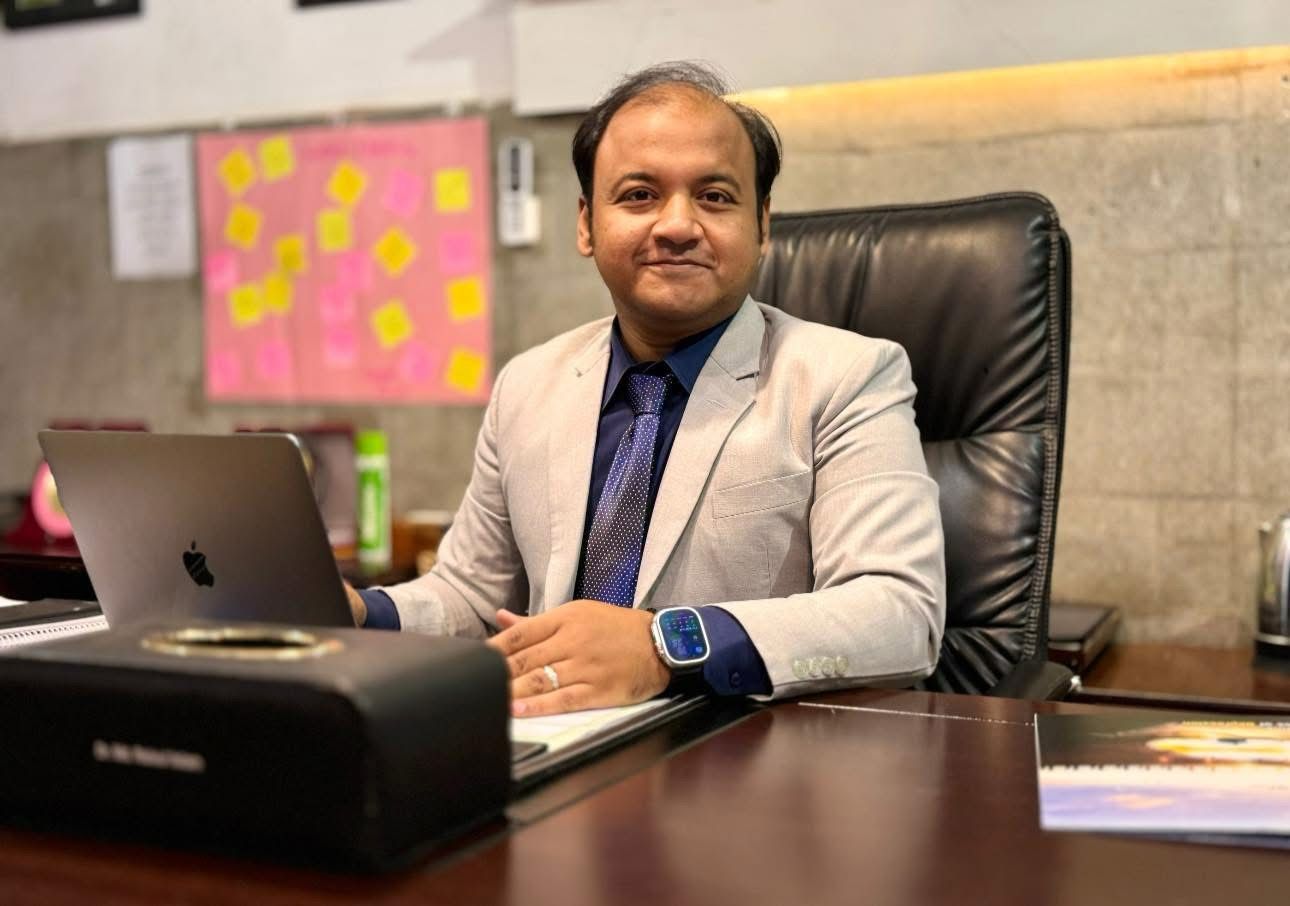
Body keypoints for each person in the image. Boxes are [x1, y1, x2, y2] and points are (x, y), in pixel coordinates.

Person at [349, 62, 945, 717]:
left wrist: (665, 645)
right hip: (550, 736)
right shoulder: (528, 383)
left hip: (740, 746)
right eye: (639, 195)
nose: (678, 225)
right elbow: (471, 597)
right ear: (587, 224)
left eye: (714, 196)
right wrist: (360, 614)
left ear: (762, 225)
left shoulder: (847, 378)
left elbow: (899, 615)